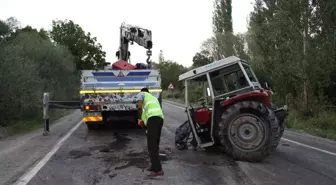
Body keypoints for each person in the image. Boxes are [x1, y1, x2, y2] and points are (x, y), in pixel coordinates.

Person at [136, 87, 164, 177]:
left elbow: (139, 107)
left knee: (152, 146)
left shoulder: (142, 94)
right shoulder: (153, 98)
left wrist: (139, 118)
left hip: (153, 120)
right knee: (155, 144)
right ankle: (154, 166)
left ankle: (158, 170)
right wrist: (144, 124)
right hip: (159, 119)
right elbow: (146, 113)